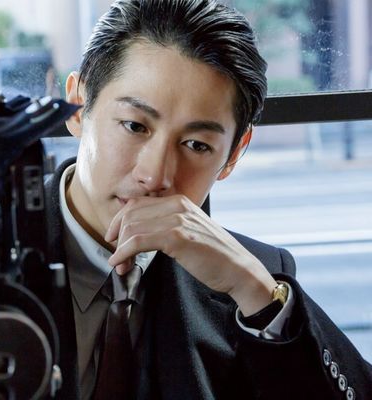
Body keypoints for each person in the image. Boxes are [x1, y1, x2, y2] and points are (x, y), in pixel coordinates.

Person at [43, 0, 372, 399]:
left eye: (197, 145)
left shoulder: (257, 280)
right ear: (78, 106)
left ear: (234, 153)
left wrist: (254, 291)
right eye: (134, 126)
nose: (155, 176)